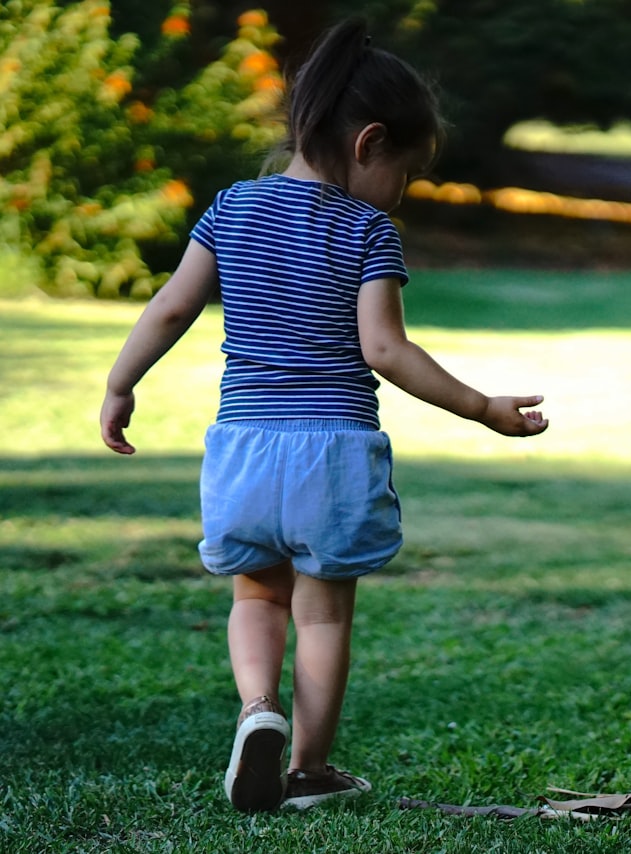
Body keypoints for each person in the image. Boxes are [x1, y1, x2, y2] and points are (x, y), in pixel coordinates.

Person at [100, 17, 548, 814]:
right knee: (324, 613)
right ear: (370, 142)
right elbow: (385, 350)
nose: (401, 193)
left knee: (254, 597)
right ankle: (308, 770)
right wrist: (480, 408)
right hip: (332, 452)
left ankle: (255, 711)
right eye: (405, 173)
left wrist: (120, 384)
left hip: (242, 448)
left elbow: (171, 309)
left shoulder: (232, 207)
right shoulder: (369, 229)